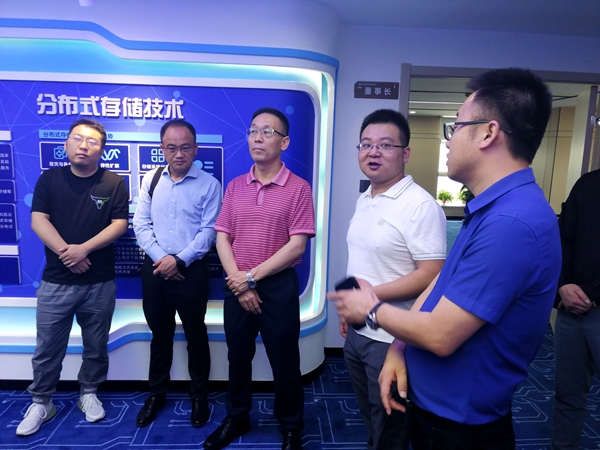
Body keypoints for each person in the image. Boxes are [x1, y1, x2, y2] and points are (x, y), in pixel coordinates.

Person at [330, 68, 562, 448]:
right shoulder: (491, 208)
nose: (449, 140)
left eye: (455, 127)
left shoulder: (512, 223)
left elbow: (440, 335)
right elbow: (442, 281)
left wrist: (369, 306)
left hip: (458, 428)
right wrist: (400, 346)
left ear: (488, 133)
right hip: (433, 406)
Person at [203, 107, 315, 450]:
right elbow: (222, 237)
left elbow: (297, 246)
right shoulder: (236, 186)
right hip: (237, 284)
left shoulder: (299, 188)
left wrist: (251, 278)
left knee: (285, 360)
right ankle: (237, 417)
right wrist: (240, 282)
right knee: (237, 358)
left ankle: (291, 425)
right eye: (253, 130)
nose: (257, 137)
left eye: (267, 131)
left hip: (276, 287)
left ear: (285, 142)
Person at [340, 109, 446, 450]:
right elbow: (367, 264)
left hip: (394, 339)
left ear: (405, 153)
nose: (373, 152)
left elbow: (432, 274)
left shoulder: (420, 206)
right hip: (360, 331)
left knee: (391, 429)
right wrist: (352, 310)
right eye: (366, 144)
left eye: (385, 145)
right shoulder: (366, 198)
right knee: (372, 420)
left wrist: (367, 299)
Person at [17, 118, 129, 436]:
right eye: (78, 139)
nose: (84, 146)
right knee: (48, 348)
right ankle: (42, 401)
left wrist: (84, 250)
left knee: (96, 345)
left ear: (102, 150)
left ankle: (89, 393)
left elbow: (119, 225)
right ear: (66, 144)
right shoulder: (50, 179)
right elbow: (39, 220)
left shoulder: (114, 183)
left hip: (99, 282)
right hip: (56, 281)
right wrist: (68, 253)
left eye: (92, 141)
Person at [132, 119, 222, 428]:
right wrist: (163, 260)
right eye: (172, 148)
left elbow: (209, 232)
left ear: (196, 148)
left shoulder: (209, 185)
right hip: (155, 269)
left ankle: (199, 395)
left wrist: (179, 261)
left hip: (192, 271)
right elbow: (140, 223)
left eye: (185, 147)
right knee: (160, 336)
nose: (179, 154)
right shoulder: (151, 179)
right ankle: (157, 394)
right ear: (162, 149)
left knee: (196, 336)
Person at [551, 168, 600, 450]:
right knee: (567, 396)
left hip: (593, 305)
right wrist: (562, 285)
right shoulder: (587, 184)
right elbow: (562, 240)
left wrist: (590, 292)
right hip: (571, 310)